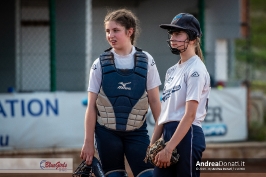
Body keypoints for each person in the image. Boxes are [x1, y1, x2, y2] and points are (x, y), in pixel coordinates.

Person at [80, 9, 161, 177]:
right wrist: (88, 142)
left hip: (137, 133)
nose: (111, 35)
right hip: (106, 134)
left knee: (149, 175)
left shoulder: (147, 60)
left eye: (116, 30)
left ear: (129, 31)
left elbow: (154, 101)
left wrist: (162, 137)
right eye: (108, 31)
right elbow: (91, 107)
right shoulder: (99, 64)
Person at [150, 13, 211, 177]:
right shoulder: (171, 71)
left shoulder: (196, 69)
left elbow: (190, 115)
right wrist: (153, 143)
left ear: (192, 38)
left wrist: (169, 148)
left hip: (188, 135)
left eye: (178, 34)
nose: (172, 38)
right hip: (169, 135)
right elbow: (165, 113)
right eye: (171, 34)